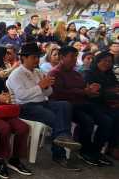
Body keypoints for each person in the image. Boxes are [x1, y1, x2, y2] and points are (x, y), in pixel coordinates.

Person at [6, 42, 82, 170]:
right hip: (25, 107)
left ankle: (62, 136)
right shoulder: (16, 74)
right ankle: (60, 152)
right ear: (24, 57)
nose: (36, 60)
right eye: (33, 57)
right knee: (54, 117)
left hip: (42, 102)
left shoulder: (38, 72)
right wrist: (40, 86)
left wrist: (46, 86)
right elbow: (22, 95)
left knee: (65, 105)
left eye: (37, 57)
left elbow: (49, 92)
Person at [49, 46, 113, 166]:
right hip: (67, 107)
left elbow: (84, 88)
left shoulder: (76, 73)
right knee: (87, 121)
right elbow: (57, 94)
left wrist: (90, 90)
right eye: (72, 56)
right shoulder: (55, 73)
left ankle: (95, 151)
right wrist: (83, 92)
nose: (74, 59)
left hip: (82, 103)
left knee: (107, 120)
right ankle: (84, 151)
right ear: (62, 57)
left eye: (75, 56)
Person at [84, 51, 119, 159]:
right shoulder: (89, 73)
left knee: (117, 116)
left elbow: (115, 90)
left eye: (110, 61)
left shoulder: (111, 75)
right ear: (98, 60)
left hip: (108, 104)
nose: (107, 63)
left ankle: (112, 147)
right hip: (92, 104)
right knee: (108, 120)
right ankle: (95, 149)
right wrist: (110, 92)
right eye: (104, 60)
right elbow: (92, 93)